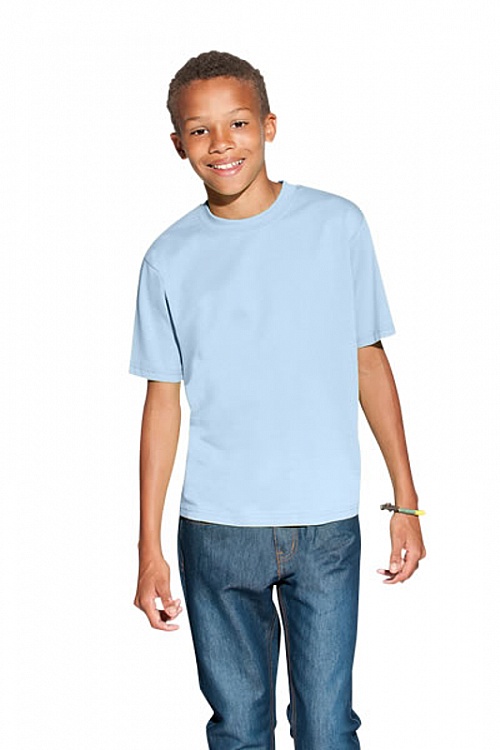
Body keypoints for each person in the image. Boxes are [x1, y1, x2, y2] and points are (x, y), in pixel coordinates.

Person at [128, 49, 426, 750]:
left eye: (237, 123)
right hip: (217, 530)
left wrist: (406, 502)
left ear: (268, 125)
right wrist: (148, 547)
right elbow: (162, 404)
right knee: (238, 731)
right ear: (177, 144)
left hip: (326, 525)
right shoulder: (168, 258)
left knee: (328, 729)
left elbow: (368, 362)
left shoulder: (337, 225)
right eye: (199, 130)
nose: (220, 143)